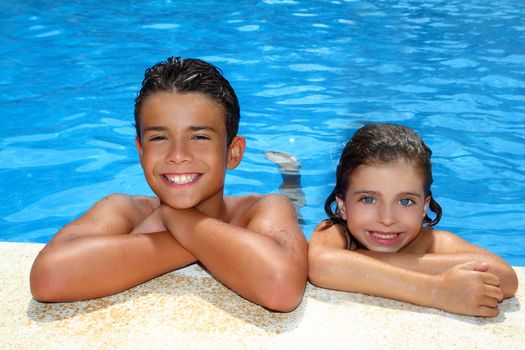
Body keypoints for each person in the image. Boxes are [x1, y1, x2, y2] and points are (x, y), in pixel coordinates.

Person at [30, 57, 308, 312]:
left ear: (232, 153)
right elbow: (48, 277)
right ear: (141, 152)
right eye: (159, 138)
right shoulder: (122, 209)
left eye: (199, 137)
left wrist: (172, 216)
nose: (177, 156)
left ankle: (290, 174)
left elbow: (281, 287)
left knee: (293, 199)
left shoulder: (263, 208)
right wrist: (188, 227)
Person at [308, 123, 518, 317]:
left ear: (424, 206)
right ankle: (291, 175)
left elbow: (506, 277)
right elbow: (321, 265)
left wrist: (361, 260)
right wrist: (437, 291)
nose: (387, 219)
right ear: (343, 207)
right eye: (369, 199)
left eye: (405, 201)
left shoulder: (434, 241)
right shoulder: (337, 231)